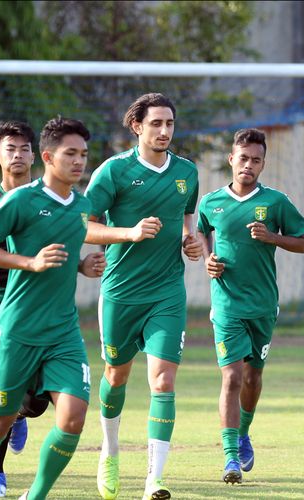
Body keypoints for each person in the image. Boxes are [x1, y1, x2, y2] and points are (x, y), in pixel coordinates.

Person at [0, 116, 100, 500]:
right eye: (70, 153)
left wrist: (82, 265)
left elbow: (64, 252)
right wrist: (29, 262)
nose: (79, 161)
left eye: (83, 154)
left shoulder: (81, 204)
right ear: (48, 156)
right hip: (18, 328)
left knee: (72, 417)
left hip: (63, 331)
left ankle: (34, 496)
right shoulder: (20, 199)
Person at [84, 93, 203, 500]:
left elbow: (189, 219)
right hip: (120, 293)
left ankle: (154, 478)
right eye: (156, 123)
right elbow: (84, 225)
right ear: (136, 126)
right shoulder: (113, 172)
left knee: (164, 381)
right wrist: (129, 233)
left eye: (170, 123)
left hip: (167, 293)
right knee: (116, 375)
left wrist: (192, 241)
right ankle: (111, 451)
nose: (165, 131)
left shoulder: (187, 171)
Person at [197, 128, 304, 484]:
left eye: (255, 160)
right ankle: (230, 456)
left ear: (263, 163)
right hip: (227, 303)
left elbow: (302, 243)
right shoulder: (211, 201)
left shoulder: (275, 202)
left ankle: (244, 432)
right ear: (231, 159)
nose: (248, 165)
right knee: (231, 377)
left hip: (263, 305)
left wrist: (272, 237)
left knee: (253, 376)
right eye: (242, 158)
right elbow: (202, 230)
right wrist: (208, 258)